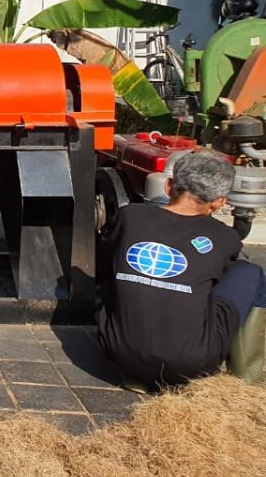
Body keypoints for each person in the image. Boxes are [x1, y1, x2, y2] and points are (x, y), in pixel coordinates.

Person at [98, 149, 266, 389]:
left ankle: (139, 374)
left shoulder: (129, 217)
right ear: (220, 202)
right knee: (250, 273)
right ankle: (244, 380)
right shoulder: (224, 237)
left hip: (118, 354)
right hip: (190, 365)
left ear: (168, 186)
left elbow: (105, 266)